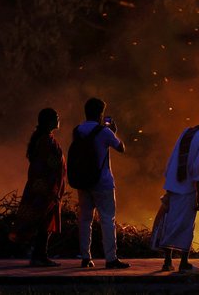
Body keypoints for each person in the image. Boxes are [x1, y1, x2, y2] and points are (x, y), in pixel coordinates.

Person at [152, 109, 199, 273]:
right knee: (185, 225)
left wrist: (169, 181)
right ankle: (184, 262)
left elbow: (173, 157)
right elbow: (197, 169)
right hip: (186, 188)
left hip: (173, 184)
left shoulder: (188, 132)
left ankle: (168, 261)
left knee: (170, 222)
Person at [76, 97, 130, 269]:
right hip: (103, 182)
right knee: (107, 220)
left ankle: (85, 257)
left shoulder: (77, 130)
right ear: (100, 113)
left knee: (85, 220)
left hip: (83, 181)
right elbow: (121, 148)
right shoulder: (104, 132)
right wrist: (113, 131)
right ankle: (111, 258)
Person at [9, 108, 66, 267]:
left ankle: (39, 255)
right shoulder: (46, 142)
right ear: (48, 121)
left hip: (45, 188)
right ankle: (39, 256)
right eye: (55, 117)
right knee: (43, 222)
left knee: (44, 222)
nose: (58, 119)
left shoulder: (45, 139)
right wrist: (51, 189)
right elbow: (49, 166)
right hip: (45, 189)